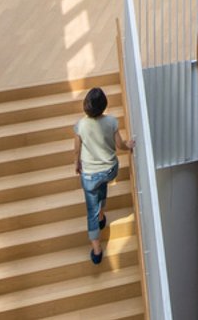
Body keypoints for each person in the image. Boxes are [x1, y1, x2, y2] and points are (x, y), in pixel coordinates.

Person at [75, 88, 134, 265]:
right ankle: (101, 216)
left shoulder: (81, 125)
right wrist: (129, 145)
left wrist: (76, 163)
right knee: (102, 186)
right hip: (109, 170)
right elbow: (120, 145)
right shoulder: (111, 122)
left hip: (90, 175)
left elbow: (77, 149)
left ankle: (97, 249)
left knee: (90, 211)